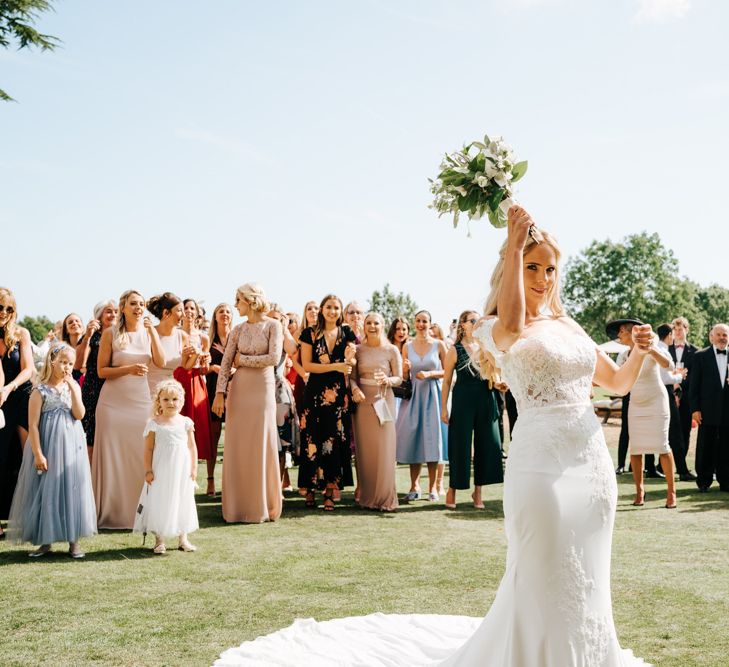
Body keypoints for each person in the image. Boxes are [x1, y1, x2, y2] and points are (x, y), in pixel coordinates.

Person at [215, 206, 654, 665]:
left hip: (589, 460)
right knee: (545, 563)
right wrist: (515, 241)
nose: (543, 277)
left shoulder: (569, 325)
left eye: (549, 268)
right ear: (510, 266)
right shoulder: (492, 327)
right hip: (541, 458)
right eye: (530, 266)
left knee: (589, 566)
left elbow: (618, 383)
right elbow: (512, 327)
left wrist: (639, 355)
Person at [7, 343, 96, 558]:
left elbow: (79, 414)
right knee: (47, 489)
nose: (66, 367)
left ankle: (74, 542)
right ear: (52, 362)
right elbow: (33, 425)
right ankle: (45, 541)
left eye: (70, 363)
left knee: (71, 488)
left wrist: (75, 390)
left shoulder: (71, 387)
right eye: (63, 362)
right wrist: (38, 453)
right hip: (48, 445)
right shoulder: (40, 390)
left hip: (71, 446)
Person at [92, 289, 166, 529]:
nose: (138, 308)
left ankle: (140, 511)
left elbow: (161, 362)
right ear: (123, 307)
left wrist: (153, 332)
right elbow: (102, 371)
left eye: (142, 304)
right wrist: (128, 369)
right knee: (113, 458)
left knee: (140, 454)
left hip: (141, 402)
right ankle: (112, 514)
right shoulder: (110, 334)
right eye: (133, 303)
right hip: (113, 404)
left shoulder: (148, 332)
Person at [212, 284, 283, 523]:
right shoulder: (237, 330)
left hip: (263, 389)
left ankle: (262, 504)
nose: (235, 304)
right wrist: (219, 392)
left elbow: (273, 359)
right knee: (238, 445)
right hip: (239, 390)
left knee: (261, 441)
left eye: (239, 300)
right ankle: (237, 505)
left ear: (251, 301)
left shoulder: (274, 325)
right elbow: (225, 363)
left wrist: (244, 360)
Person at [610, 319, 677, 508]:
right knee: (636, 448)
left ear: (633, 332)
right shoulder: (624, 355)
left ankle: (671, 493)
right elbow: (619, 379)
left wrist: (650, 349)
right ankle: (639, 492)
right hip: (636, 403)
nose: (619, 335)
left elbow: (669, 366)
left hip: (656, 401)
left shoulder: (653, 345)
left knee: (663, 445)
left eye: (622, 332)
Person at [298, 294, 356, 511]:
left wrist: (351, 358)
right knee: (312, 440)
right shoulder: (309, 333)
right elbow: (307, 365)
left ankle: (331, 491)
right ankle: (310, 490)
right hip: (314, 394)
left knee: (334, 441)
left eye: (336, 308)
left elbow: (351, 361)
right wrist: (337, 366)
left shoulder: (346, 331)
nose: (333, 311)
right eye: (329, 307)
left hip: (338, 395)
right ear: (321, 309)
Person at [441, 310, 503, 509]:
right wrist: (444, 407)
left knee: (487, 445)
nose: (476, 324)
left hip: (486, 398)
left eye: (479, 321)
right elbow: (447, 380)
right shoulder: (454, 349)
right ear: (463, 325)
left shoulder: (488, 348)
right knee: (460, 445)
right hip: (462, 400)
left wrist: (500, 383)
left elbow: (496, 373)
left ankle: (478, 494)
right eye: (473, 321)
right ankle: (452, 490)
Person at [133, 379, 199, 554]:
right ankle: (159, 540)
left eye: (175, 399)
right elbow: (148, 449)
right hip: (161, 470)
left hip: (182, 470)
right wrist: (148, 470)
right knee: (160, 500)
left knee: (182, 499)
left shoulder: (186, 422)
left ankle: (183, 538)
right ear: (159, 402)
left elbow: (192, 446)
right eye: (166, 399)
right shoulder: (154, 424)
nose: (171, 403)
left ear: (181, 401)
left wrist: (194, 468)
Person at [350, 312, 402, 512]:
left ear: (382, 325)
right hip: (363, 403)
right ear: (364, 326)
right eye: (368, 323)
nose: (372, 326)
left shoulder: (391, 350)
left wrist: (388, 381)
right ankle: (367, 497)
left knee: (385, 449)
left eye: (376, 323)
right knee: (365, 450)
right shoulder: (358, 350)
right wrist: (354, 389)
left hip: (384, 400)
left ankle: (386, 498)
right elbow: (352, 377)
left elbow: (399, 377)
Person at [395, 309, 447, 502]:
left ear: (430, 323)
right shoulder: (407, 346)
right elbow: (403, 378)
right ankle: (414, 486)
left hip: (433, 396)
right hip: (413, 397)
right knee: (413, 439)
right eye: (418, 321)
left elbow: (449, 372)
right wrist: (406, 370)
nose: (421, 324)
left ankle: (433, 487)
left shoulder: (439, 345)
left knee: (433, 441)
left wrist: (430, 374)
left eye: (424, 321)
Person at [0, 287, 35, 534]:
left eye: (9, 308)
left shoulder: (21, 333)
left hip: (21, 397)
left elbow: (29, 369)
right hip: (0, 402)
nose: (4, 312)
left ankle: (32, 518)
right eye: (0, 307)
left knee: (29, 458)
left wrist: (9, 387)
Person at [689, 323, 729, 492]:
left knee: (727, 446)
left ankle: (726, 480)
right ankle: (704, 480)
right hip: (707, 409)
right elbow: (693, 386)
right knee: (706, 445)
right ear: (711, 337)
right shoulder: (700, 356)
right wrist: (695, 409)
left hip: (728, 410)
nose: (722, 338)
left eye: (725, 335)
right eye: (718, 334)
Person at [77, 300, 117, 463]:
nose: (113, 314)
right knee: (91, 434)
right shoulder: (91, 336)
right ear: (99, 315)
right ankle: (90, 477)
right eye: (109, 311)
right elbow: (79, 365)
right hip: (94, 388)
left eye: (115, 311)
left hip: (116, 388)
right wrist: (87, 336)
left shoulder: (121, 335)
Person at [178, 298, 214, 466]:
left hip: (196, 382)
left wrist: (206, 359)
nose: (189, 311)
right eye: (186, 308)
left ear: (197, 312)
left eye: (192, 308)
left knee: (197, 428)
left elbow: (205, 369)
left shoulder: (203, 338)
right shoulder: (175, 334)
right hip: (177, 381)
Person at [656, 323, 693, 479]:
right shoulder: (663, 351)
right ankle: (683, 471)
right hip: (666, 394)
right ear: (669, 335)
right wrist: (680, 376)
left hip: (663, 394)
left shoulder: (657, 349)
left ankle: (658, 468)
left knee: (669, 433)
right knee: (675, 434)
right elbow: (665, 377)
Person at [205, 303, 233, 496]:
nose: (224, 314)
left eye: (228, 311)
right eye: (221, 311)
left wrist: (236, 370)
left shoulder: (237, 336)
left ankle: (231, 482)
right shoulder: (208, 339)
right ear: (215, 317)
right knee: (213, 436)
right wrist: (215, 368)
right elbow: (202, 366)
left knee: (232, 438)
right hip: (213, 390)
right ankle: (210, 481)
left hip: (236, 390)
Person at [669, 316, 699, 481]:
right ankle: (667, 465)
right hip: (668, 396)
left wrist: (681, 390)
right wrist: (674, 389)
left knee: (685, 431)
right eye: (675, 329)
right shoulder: (665, 349)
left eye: (681, 329)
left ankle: (681, 467)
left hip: (687, 397)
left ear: (686, 330)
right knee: (670, 431)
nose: (678, 332)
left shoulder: (695, 351)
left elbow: (695, 377)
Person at [387, 316, 411, 416]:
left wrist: (406, 371)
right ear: (393, 330)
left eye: (404, 329)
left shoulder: (411, 349)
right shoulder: (386, 348)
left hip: (404, 395)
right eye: (398, 329)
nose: (401, 332)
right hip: (388, 392)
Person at [60, 313, 85, 381]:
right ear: (66, 330)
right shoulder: (61, 349)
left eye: (77, 321)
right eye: (70, 322)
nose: (74, 323)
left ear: (82, 326)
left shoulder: (90, 346)